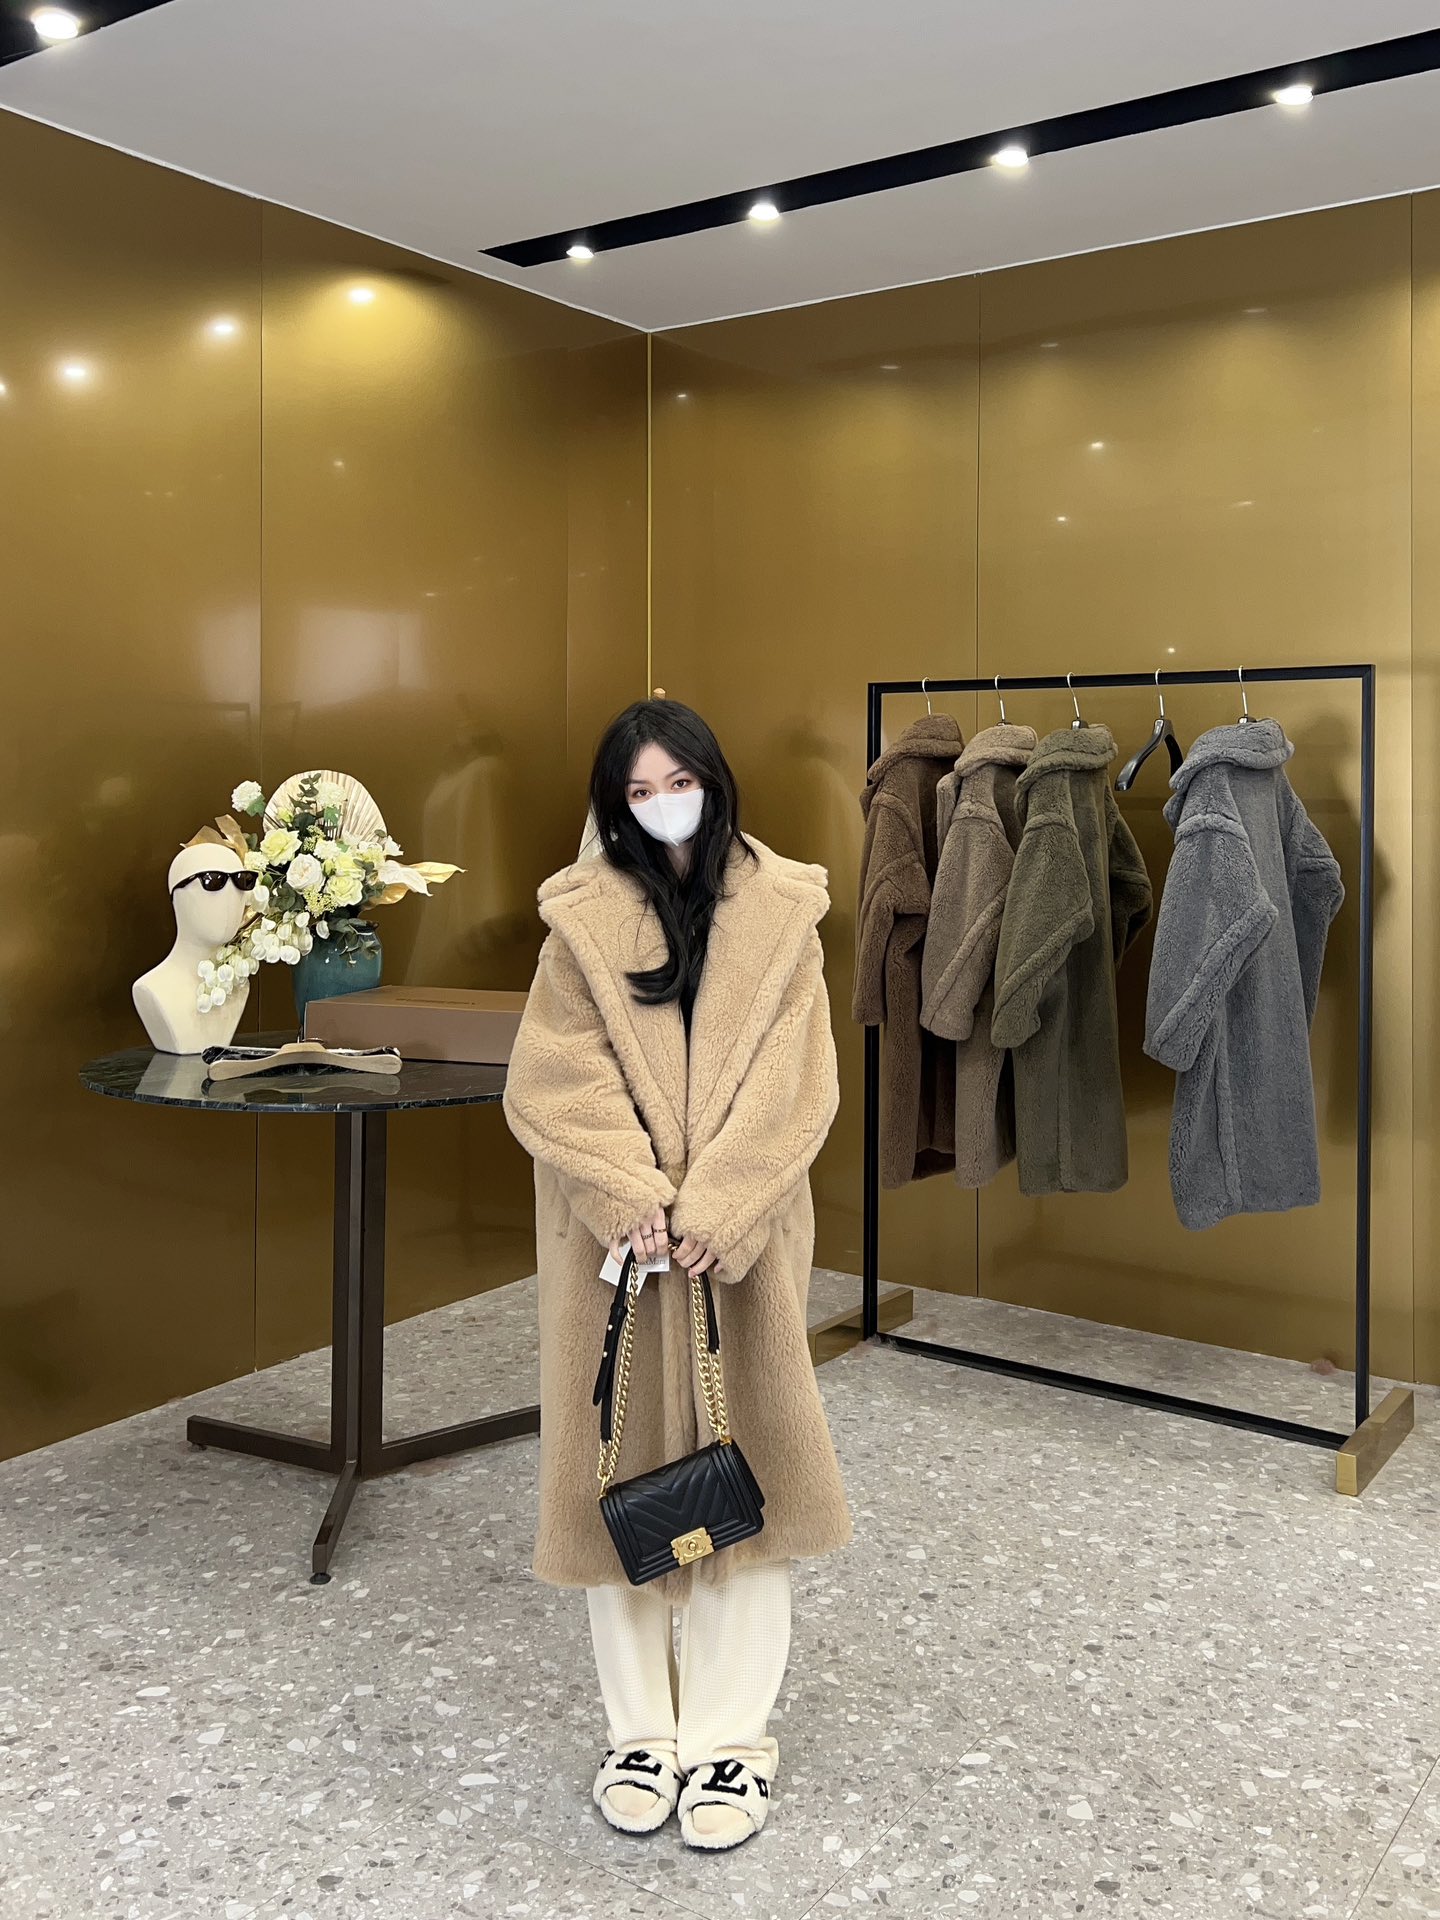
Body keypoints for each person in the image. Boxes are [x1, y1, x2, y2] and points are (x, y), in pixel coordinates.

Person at [502, 698, 853, 1851]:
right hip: (615, 1255)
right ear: (617, 805)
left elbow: (799, 1082)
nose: (663, 805)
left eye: (679, 782)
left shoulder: (786, 912)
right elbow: (554, 1077)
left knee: (748, 1486)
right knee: (617, 1487)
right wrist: (631, 1198)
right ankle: (640, 1733)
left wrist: (719, 1207)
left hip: (737, 1249)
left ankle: (732, 1741)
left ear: (715, 779)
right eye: (640, 791)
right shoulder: (580, 921)